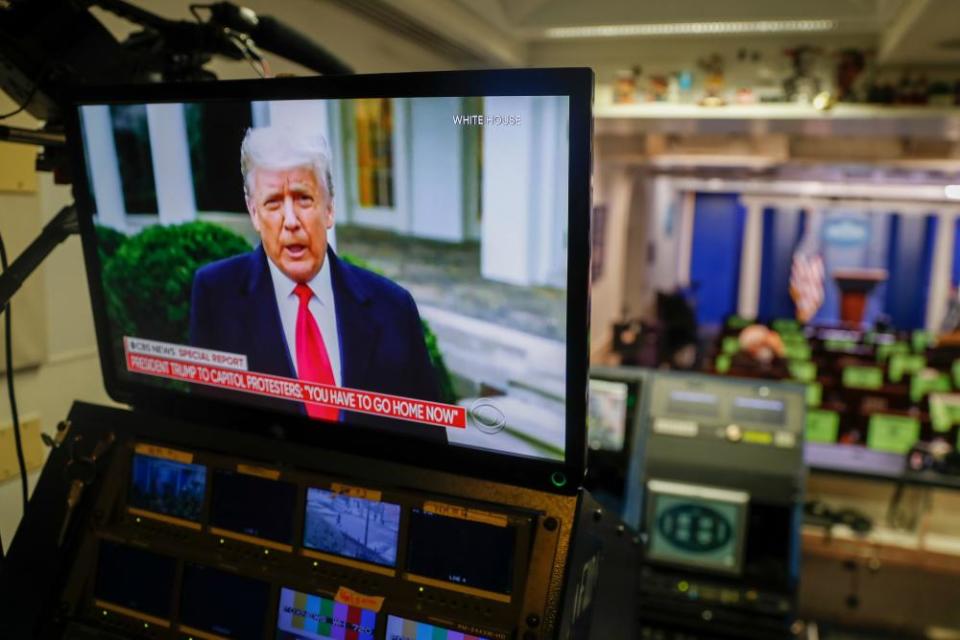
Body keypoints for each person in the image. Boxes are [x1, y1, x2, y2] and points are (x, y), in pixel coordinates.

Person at [189, 126, 445, 442]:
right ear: (254, 213)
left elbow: (429, 442)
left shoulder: (394, 307)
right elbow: (209, 432)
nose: (291, 220)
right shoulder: (215, 295)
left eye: (303, 198)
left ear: (329, 208)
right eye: (272, 203)